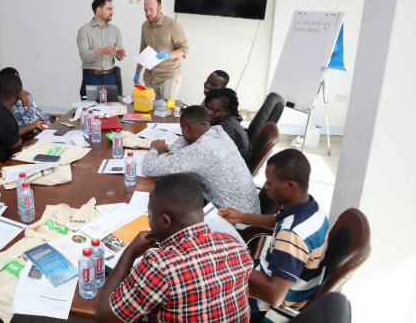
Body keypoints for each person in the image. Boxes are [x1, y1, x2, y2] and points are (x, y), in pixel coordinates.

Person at [95, 174, 253, 323]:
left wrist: (130, 253)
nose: (148, 219)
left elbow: (105, 317)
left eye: (149, 214)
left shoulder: (160, 266)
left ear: (165, 220)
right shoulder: (233, 244)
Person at [219, 149, 330, 322]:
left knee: (208, 289)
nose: (266, 187)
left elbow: (274, 297)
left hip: (270, 308)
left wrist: (236, 257)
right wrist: (241, 217)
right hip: (286, 283)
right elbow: (278, 221)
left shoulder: (291, 236)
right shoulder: (313, 209)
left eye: (270, 182)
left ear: (290, 186)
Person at [143, 106, 260, 219]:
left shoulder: (201, 149)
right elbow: (183, 141)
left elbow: (149, 168)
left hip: (236, 223)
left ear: (186, 129)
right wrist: (176, 153)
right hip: (251, 214)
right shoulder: (218, 132)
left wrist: (155, 149)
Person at [134, 0, 190, 100]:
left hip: (168, 77)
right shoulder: (145, 26)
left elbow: (184, 49)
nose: (148, 13)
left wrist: (169, 55)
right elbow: (143, 51)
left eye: (151, 10)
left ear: (160, 8)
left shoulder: (173, 25)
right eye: (145, 10)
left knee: (166, 113)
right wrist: (137, 72)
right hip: (150, 77)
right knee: (149, 111)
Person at [0, 73, 45, 163]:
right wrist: (38, 143)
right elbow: (18, 150)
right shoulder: (5, 120)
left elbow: (10, 134)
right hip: (6, 162)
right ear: (17, 95)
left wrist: (34, 125)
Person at [77, 0, 126, 99]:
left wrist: (119, 54)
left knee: (111, 110)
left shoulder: (115, 30)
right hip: (91, 78)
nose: (112, 12)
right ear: (99, 10)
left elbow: (119, 49)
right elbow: (84, 55)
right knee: (92, 111)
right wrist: (102, 50)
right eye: (109, 9)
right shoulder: (84, 30)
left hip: (110, 78)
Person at [204, 88, 252, 167]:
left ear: (227, 112)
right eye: (207, 108)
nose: (208, 113)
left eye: (213, 111)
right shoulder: (230, 119)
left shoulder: (225, 130)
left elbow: (206, 156)